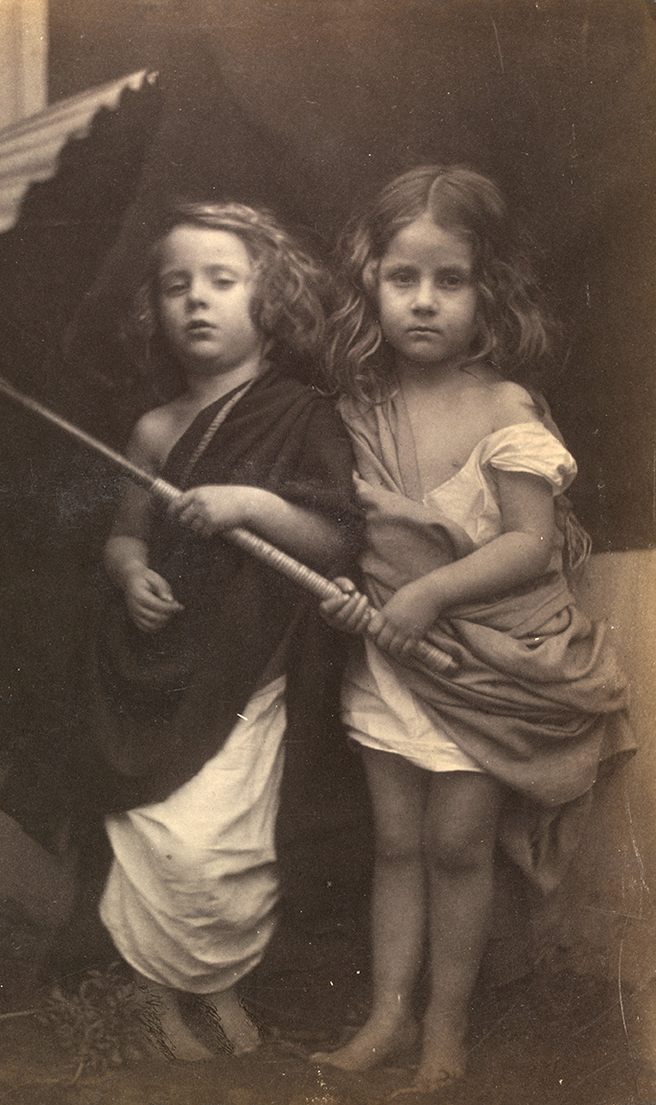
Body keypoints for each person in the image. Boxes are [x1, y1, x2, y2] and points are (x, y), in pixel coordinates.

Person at [311, 166, 633, 1091]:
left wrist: (428, 595)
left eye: (448, 281)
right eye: (403, 278)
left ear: (485, 289)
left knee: (457, 844)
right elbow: (356, 538)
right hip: (391, 656)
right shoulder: (359, 410)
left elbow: (531, 545)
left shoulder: (503, 408)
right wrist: (353, 592)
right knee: (394, 841)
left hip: (484, 657)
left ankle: (447, 1029)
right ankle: (386, 1017)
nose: (423, 302)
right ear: (371, 281)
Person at [89, 201, 360, 1059]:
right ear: (155, 308)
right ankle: (156, 999)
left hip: (250, 670)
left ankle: (222, 985)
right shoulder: (155, 428)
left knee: (229, 844)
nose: (195, 301)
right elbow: (125, 533)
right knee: (163, 838)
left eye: (220, 281)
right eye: (176, 286)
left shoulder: (303, 413)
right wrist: (132, 574)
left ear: (268, 297)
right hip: (159, 665)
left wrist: (251, 503)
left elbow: (334, 541)